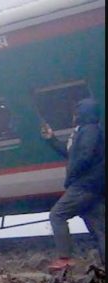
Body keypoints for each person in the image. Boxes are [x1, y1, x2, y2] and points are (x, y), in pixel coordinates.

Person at [41, 98, 105, 271]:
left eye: (76, 112)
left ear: (83, 113)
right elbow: (71, 154)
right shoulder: (86, 131)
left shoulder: (89, 130)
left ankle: (65, 258)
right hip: (92, 185)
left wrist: (72, 176)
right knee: (99, 226)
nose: (73, 115)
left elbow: (83, 157)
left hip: (84, 184)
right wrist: (51, 139)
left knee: (57, 215)